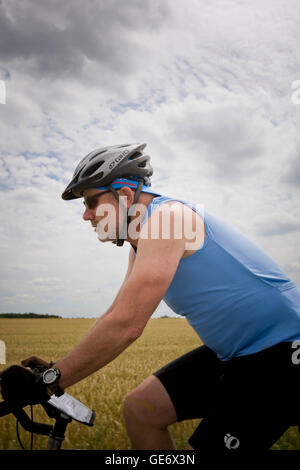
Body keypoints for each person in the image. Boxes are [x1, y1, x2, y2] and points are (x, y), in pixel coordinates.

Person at [1, 142, 300, 452]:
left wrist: (53, 379)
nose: (86, 216)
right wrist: (54, 368)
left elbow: (128, 324)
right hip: (236, 354)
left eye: (91, 201)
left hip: (284, 352)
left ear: (125, 195)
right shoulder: (141, 241)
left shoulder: (168, 218)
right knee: (142, 410)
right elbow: (115, 313)